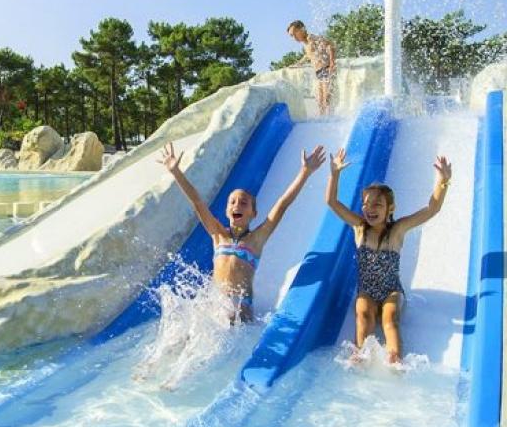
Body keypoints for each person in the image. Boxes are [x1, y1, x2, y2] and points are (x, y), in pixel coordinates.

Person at [159, 142, 326, 322]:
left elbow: (282, 203)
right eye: (232, 202)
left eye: (243, 202)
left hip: (241, 307)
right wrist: (176, 173)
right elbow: (197, 202)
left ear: (254, 214)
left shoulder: (256, 238)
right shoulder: (218, 235)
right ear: (226, 211)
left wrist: (305, 172)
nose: (237, 205)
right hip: (215, 304)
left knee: (231, 314)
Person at [325, 148, 452, 364]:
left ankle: (394, 358)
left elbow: (431, 209)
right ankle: (360, 355)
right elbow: (332, 202)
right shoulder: (359, 228)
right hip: (366, 290)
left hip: (392, 290)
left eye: (377, 204)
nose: (370, 208)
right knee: (363, 316)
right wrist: (335, 173)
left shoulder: (397, 230)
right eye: (366, 203)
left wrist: (443, 181)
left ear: (390, 208)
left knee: (390, 319)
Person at [287, 20, 337, 116]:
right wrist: (298, 64)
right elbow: (308, 56)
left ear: (302, 29)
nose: (294, 38)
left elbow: (330, 45)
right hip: (319, 73)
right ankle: (322, 120)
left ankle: (330, 117)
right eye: (291, 36)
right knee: (320, 100)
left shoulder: (311, 38)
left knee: (326, 98)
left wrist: (332, 62)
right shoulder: (306, 44)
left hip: (326, 69)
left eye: (294, 34)